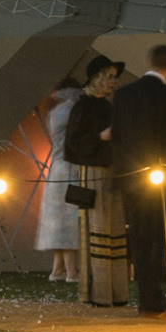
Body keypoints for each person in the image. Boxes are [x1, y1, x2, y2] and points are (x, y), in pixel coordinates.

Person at [107, 44, 166, 317]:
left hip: (130, 177)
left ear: (148, 61)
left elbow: (117, 136)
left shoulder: (123, 95)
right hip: (161, 178)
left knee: (139, 237)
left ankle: (148, 298)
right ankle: (153, 300)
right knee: (157, 237)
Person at [65, 56, 128, 307]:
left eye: (114, 77)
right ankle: (99, 292)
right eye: (109, 76)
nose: (114, 81)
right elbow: (73, 143)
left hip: (112, 171)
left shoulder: (107, 106)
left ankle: (116, 292)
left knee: (114, 228)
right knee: (98, 228)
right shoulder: (84, 106)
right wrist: (100, 137)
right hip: (94, 172)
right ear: (98, 78)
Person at [32, 74, 88, 286]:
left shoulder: (55, 112)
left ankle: (58, 270)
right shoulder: (70, 111)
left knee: (59, 223)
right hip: (69, 170)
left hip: (56, 170)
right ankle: (71, 272)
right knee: (69, 221)